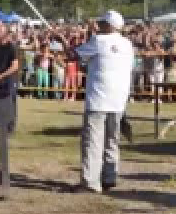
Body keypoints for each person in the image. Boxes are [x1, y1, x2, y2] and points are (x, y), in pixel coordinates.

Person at [53, 11, 134, 194]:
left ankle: (90, 182)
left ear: (109, 25)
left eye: (102, 23)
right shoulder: (127, 44)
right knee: (112, 140)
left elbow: (74, 55)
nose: (99, 26)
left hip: (99, 98)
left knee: (93, 141)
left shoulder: (99, 41)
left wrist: (63, 41)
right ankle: (109, 176)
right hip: (119, 99)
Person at [0, 23, 21, 133]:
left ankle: (10, 128)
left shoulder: (12, 47)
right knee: (0, 103)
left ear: (5, 33)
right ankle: (2, 126)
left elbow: (15, 66)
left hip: (10, 79)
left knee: (10, 102)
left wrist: (1, 75)